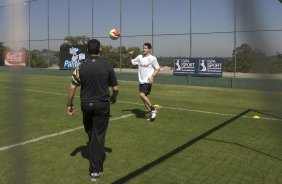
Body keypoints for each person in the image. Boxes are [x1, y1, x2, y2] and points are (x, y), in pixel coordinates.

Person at [66, 39, 119, 181]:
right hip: (102, 105)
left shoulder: (80, 66)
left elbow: (72, 87)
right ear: (100, 50)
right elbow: (115, 88)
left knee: (91, 132)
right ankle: (95, 171)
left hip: (86, 105)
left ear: (88, 51)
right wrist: (114, 97)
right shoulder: (108, 66)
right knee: (98, 136)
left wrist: (69, 105)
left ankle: (95, 153)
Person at [128, 42, 161, 121]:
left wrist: (152, 76)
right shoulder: (140, 57)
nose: (144, 49)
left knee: (141, 94)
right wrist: (129, 55)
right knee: (144, 100)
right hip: (141, 81)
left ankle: (153, 109)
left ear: (149, 50)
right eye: (143, 48)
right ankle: (152, 114)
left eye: (145, 48)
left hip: (148, 81)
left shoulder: (152, 58)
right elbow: (132, 62)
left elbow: (158, 68)